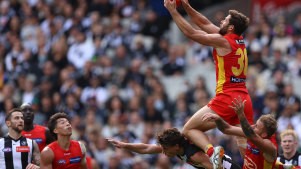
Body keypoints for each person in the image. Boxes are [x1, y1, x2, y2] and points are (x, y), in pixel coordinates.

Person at [164, 0, 253, 168]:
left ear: (231, 27)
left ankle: (212, 152)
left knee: (188, 130)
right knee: (248, 156)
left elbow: (192, 34)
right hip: (244, 99)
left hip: (227, 98)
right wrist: (187, 6)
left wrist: (173, 12)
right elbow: (204, 23)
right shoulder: (236, 39)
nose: (221, 21)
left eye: (225, 20)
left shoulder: (224, 42)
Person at [107, 128, 241, 169]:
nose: (163, 152)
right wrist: (125, 145)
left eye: (165, 149)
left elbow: (218, 168)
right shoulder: (176, 148)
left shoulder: (195, 155)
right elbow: (147, 148)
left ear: (176, 147)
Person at [203, 97, 278, 168]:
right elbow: (226, 129)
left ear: (264, 134)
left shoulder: (270, 147)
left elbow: (252, 135)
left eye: (257, 126)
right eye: (255, 123)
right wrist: (218, 119)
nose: (253, 126)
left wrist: (241, 115)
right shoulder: (253, 134)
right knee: (219, 158)